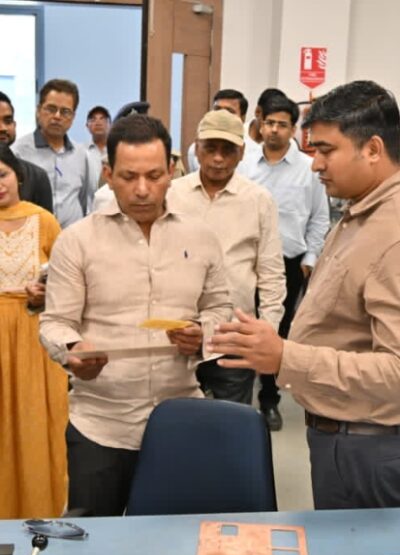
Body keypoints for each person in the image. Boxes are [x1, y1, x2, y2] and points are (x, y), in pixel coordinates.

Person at [208, 80, 400, 510]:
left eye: (327, 150)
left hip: (371, 450)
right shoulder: (362, 212)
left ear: (372, 149)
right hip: (344, 438)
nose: (315, 165)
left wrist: (285, 357)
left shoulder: (393, 232)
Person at [39, 114, 232, 517]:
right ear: (108, 174)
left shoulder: (201, 237)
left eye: (154, 176)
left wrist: (202, 333)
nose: (142, 189)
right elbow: (56, 321)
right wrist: (74, 349)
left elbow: (220, 307)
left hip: (179, 419)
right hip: (101, 424)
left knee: (173, 539)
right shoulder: (77, 242)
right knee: (95, 539)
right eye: (128, 177)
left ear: (172, 171)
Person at [168, 109, 285, 405]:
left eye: (228, 150)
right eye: (210, 148)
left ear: (242, 152)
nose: (218, 158)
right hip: (177, 332)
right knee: (174, 418)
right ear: (196, 148)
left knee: (229, 420)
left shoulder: (258, 200)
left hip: (233, 334)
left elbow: (271, 272)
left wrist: (267, 330)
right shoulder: (172, 194)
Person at [240, 94, 330, 430]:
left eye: (282, 124)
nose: (274, 130)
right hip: (247, 261)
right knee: (242, 323)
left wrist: (309, 259)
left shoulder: (308, 169)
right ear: (260, 123)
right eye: (269, 123)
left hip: (289, 262)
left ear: (293, 129)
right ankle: (237, 398)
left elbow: (320, 218)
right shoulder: (245, 165)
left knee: (277, 330)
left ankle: (269, 400)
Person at [0, 143, 68, 519]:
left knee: (33, 421)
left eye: (2, 175)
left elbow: (68, 281)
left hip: (33, 339)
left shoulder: (44, 221)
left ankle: (37, 509)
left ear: (19, 176)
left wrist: (45, 292)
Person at [13, 79, 93, 228]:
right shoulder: (18, 152)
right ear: (38, 110)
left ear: (73, 117)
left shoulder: (81, 154)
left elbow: (82, 199)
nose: (57, 116)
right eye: (51, 109)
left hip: (71, 237)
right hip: (34, 234)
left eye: (65, 112)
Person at [0, 91, 53, 213]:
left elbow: (45, 222)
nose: (3, 128)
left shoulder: (37, 176)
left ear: (14, 124)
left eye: (8, 121)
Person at [187, 88, 249, 172]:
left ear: (243, 117)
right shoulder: (197, 148)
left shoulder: (254, 153)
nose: (222, 115)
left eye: (229, 111)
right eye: (217, 110)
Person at [85, 105, 111, 188]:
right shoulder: (81, 152)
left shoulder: (116, 150)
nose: (98, 122)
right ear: (87, 126)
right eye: (93, 119)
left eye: (102, 119)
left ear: (110, 125)